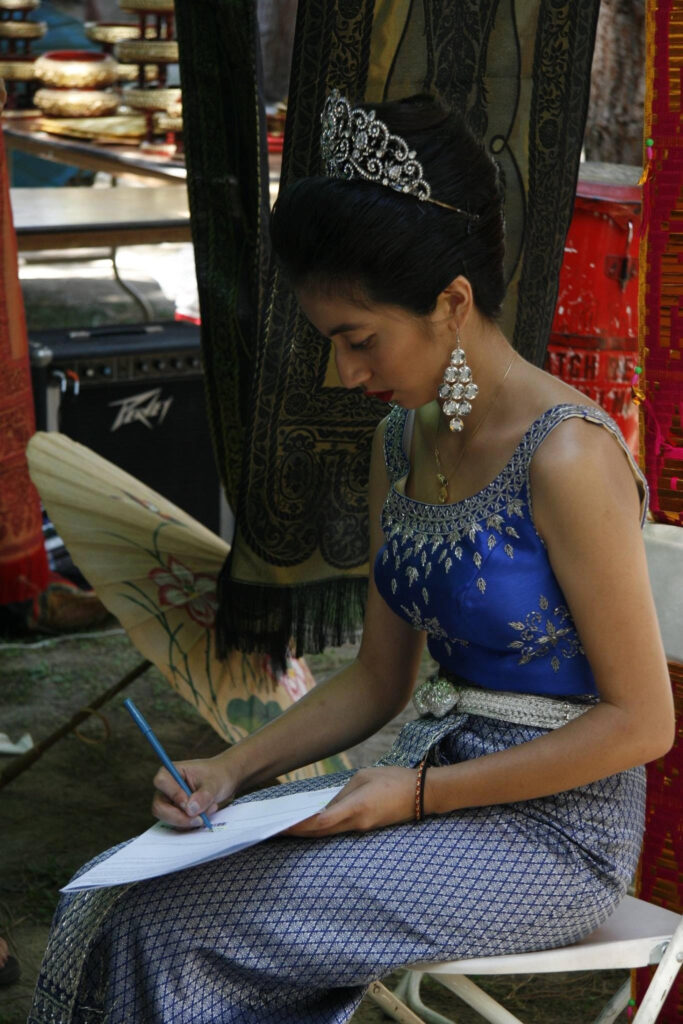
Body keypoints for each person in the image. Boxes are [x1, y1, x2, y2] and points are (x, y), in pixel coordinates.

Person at [30, 92, 673, 1024]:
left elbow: (641, 725)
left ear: (451, 303)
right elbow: (377, 680)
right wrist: (233, 768)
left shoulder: (565, 454)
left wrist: (415, 793)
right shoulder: (400, 444)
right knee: (112, 897)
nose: (344, 372)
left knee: (174, 929)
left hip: (554, 835)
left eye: (357, 339)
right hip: (424, 778)